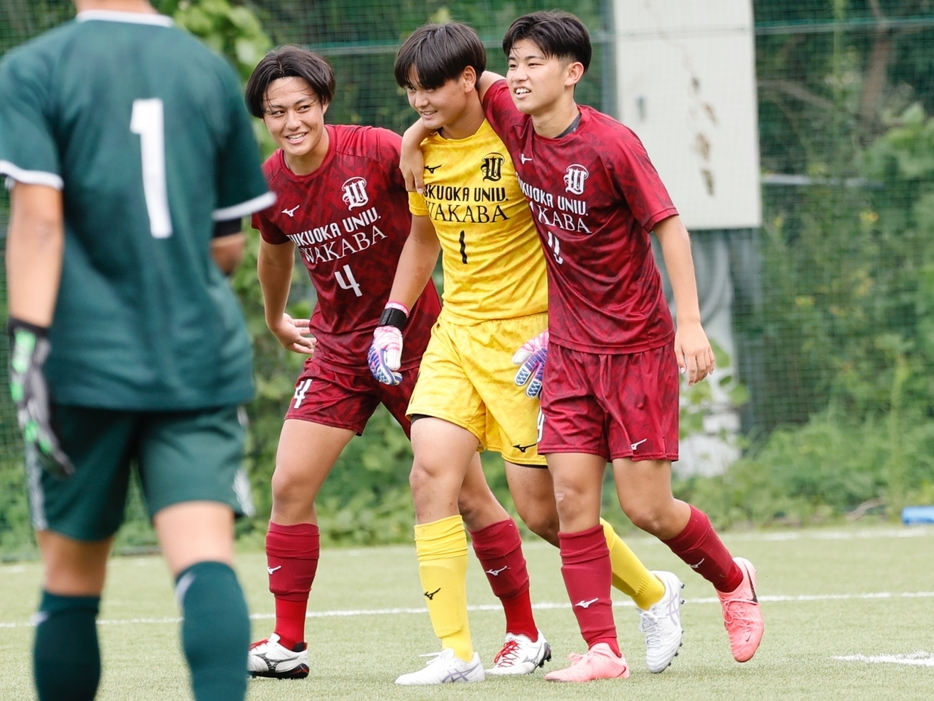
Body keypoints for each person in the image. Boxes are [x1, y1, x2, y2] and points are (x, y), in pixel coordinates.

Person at [370, 22, 686, 686]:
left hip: (528, 345)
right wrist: (394, 319)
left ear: (464, 82)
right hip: (457, 333)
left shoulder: (518, 131)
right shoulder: (425, 145)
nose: (419, 103)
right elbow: (424, 235)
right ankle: (457, 650)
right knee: (432, 475)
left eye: (430, 88)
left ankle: (654, 592)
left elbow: (567, 215)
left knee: (545, 510)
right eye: (410, 94)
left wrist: (558, 326)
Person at [469, 10, 764, 682]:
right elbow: (464, 76)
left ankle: (731, 576)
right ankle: (603, 648)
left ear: (572, 74)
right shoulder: (511, 118)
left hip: (636, 349)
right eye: (514, 61)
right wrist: (419, 128)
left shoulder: (611, 145)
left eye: (534, 62)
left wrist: (689, 323)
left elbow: (671, 228)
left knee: (646, 507)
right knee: (573, 499)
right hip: (568, 350)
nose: (518, 73)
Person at [242, 45, 547, 682]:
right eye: (277, 112)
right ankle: (287, 643)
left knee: (467, 496)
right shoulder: (269, 181)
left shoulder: (377, 148)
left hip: (417, 341)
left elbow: (433, 193)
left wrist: (412, 132)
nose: (292, 121)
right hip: (337, 348)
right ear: (264, 117)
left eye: (302, 106)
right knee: (288, 485)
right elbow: (273, 248)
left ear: (323, 103)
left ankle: (525, 632)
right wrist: (276, 316)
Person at [0, 2, 276, 700]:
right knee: (204, 560)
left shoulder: (35, 67)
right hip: (195, 358)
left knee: (69, 580)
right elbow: (226, 245)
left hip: (82, 361)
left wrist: (27, 343)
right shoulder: (207, 70)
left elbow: (38, 224)